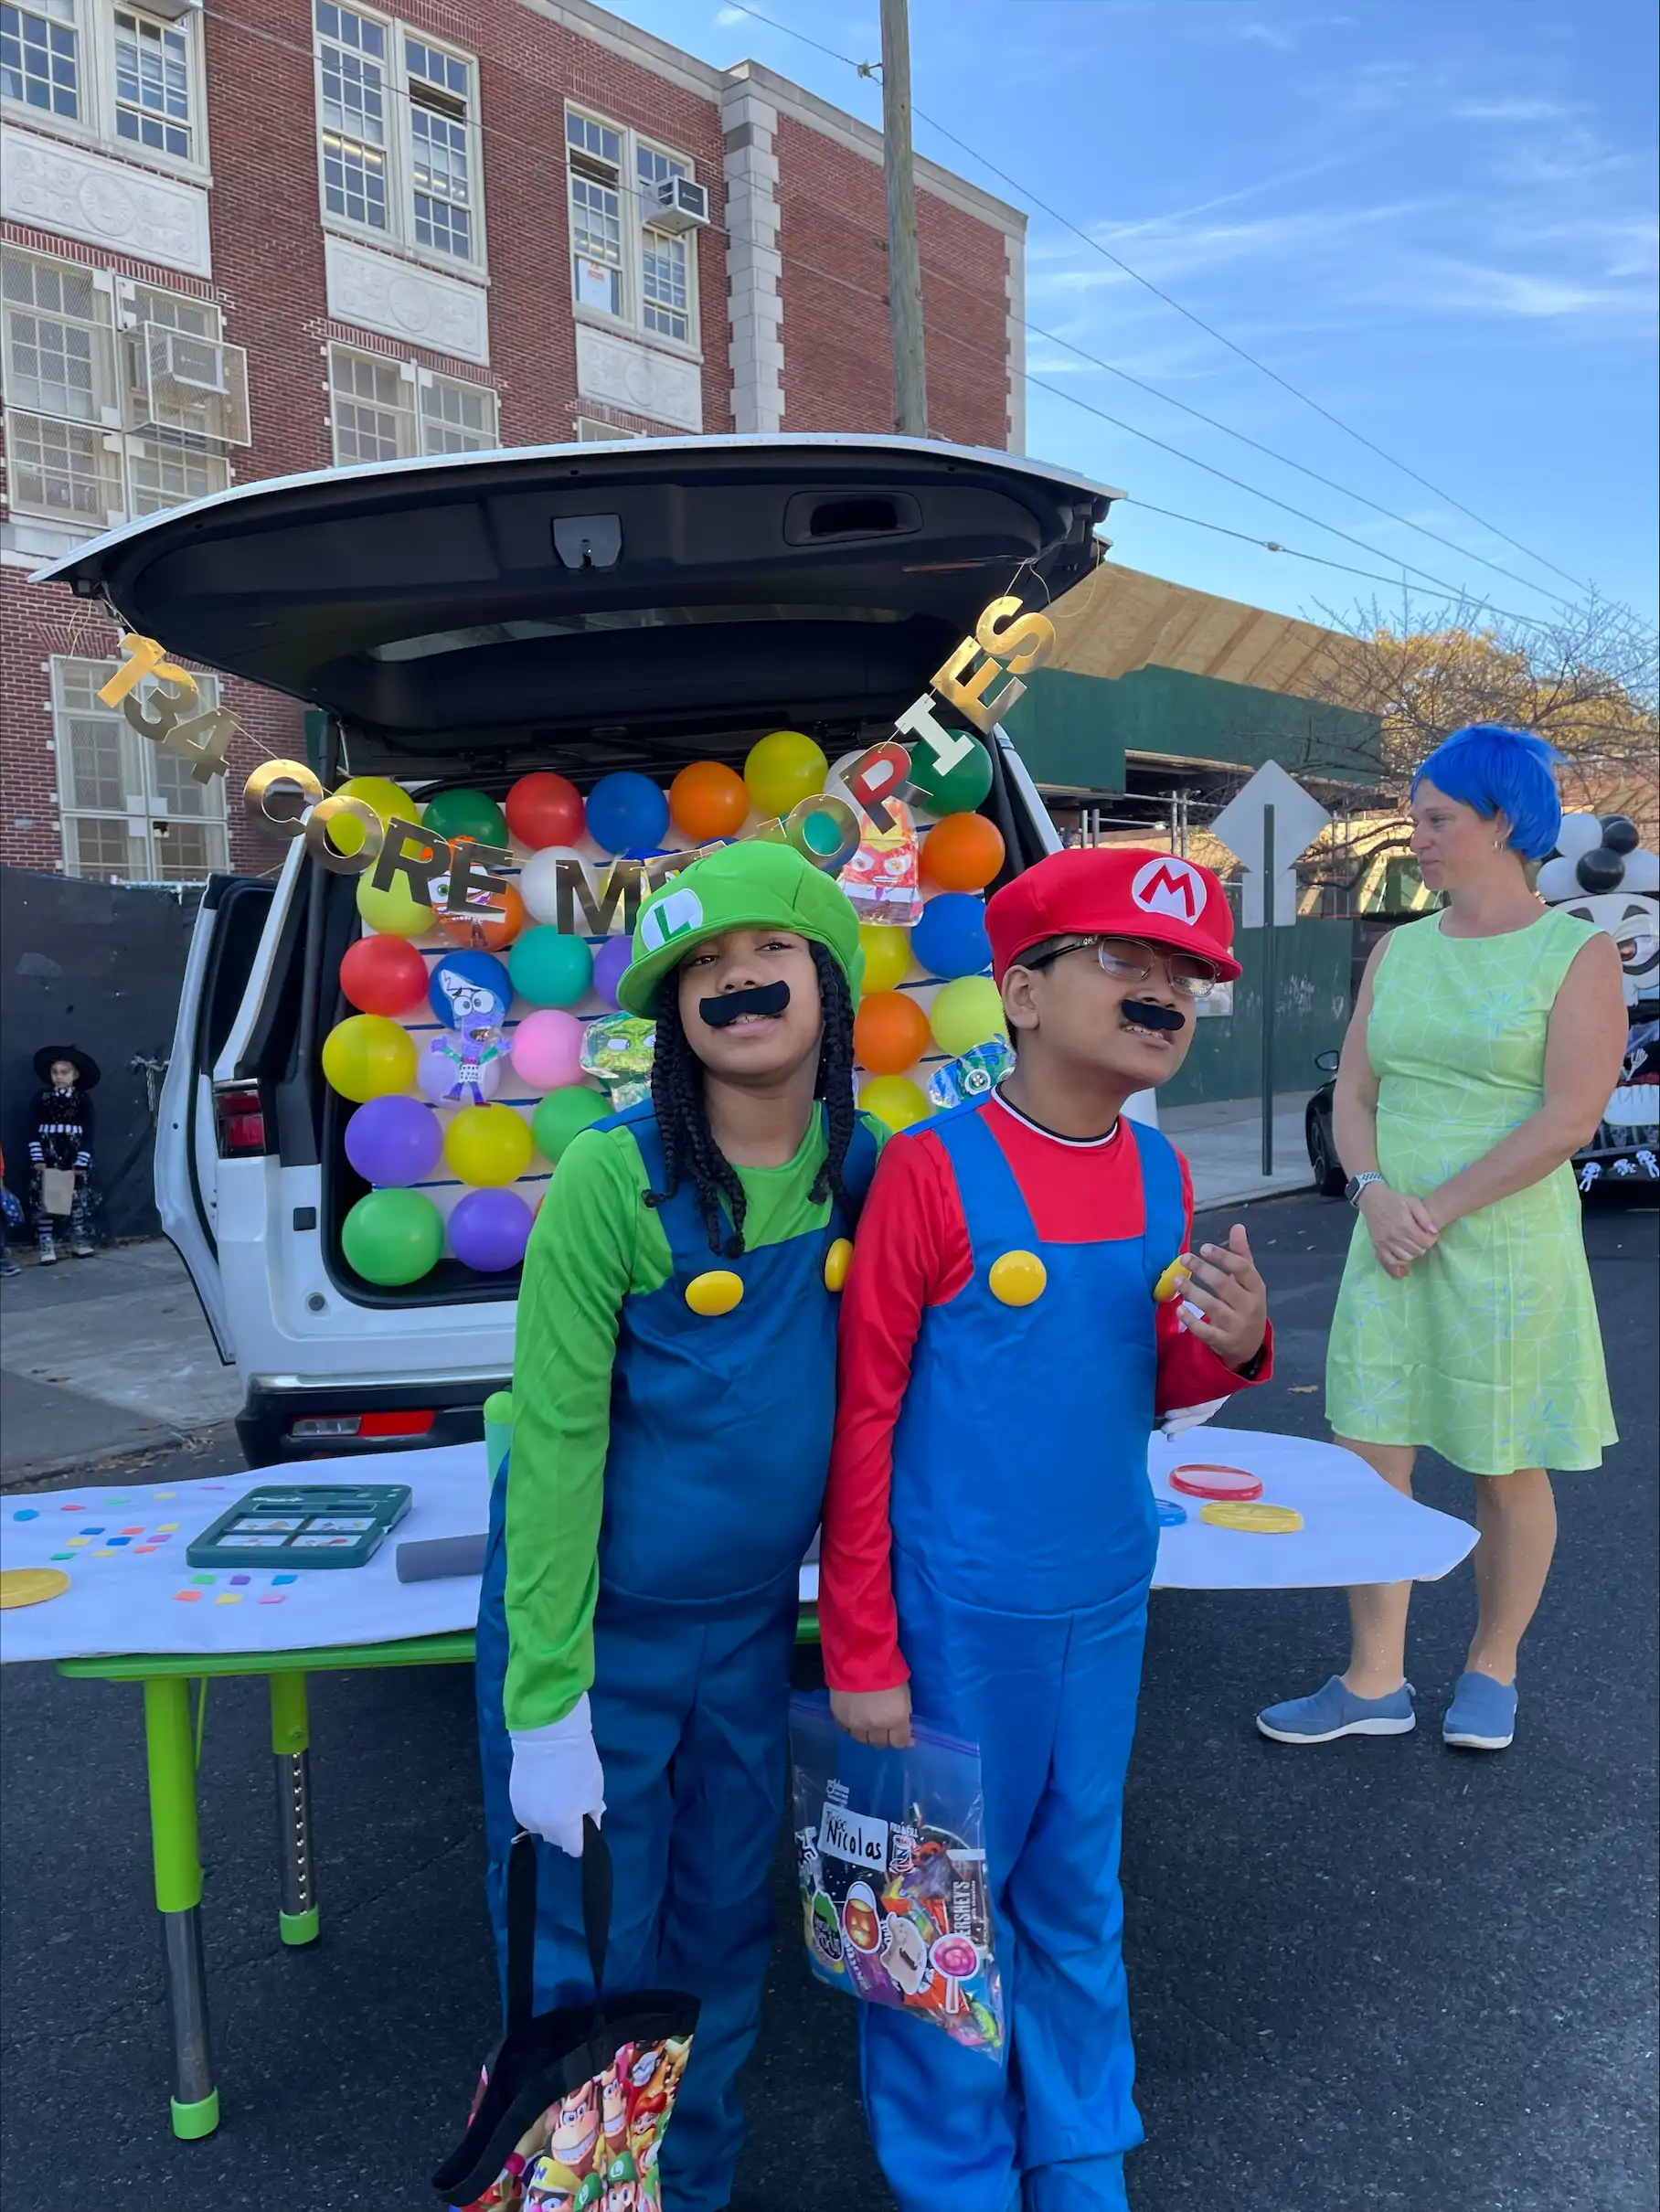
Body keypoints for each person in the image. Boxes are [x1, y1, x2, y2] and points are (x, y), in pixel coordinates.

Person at [819, 845, 1273, 2212]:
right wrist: (862, 1649)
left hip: (1104, 1601)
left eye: (1185, 975)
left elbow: (1157, 1378)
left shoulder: (1160, 1174)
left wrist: (1235, 1349)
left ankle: (1079, 2151)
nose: (1163, 995)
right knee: (933, 1908)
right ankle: (953, 2174)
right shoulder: (927, 1170)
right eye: (1124, 962)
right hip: (957, 1619)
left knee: (1077, 1893)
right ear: (1018, 991)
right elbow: (863, 1421)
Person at [474, 840, 883, 2212]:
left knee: (720, 1929)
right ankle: (587, 2202)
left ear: (825, 979)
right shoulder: (611, 1177)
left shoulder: (864, 1166)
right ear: (669, 1018)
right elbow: (555, 1446)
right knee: (591, 1956)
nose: (739, 981)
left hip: (751, 1630)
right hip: (602, 1639)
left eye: (767, 952)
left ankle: (691, 2187)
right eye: (702, 964)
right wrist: (546, 1703)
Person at [1257, 725, 1626, 1757]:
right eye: (1414, 817)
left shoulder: (1576, 951)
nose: (1413, 836)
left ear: (1503, 822)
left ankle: (1491, 1664)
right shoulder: (1399, 948)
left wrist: (1439, 1204)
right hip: (1388, 1237)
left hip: (1504, 1242)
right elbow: (1357, 1092)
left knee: (1503, 1459)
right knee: (1370, 1449)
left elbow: (1567, 1116)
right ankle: (1373, 1677)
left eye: (1435, 818)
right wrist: (1374, 1192)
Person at [27, 1047, 99, 1262]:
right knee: (49, 1197)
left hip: (73, 1153)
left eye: (64, 1072)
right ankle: (46, 1244)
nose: (59, 1076)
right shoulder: (42, 1098)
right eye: (55, 1072)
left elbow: (89, 1129)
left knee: (76, 1198)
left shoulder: (82, 1100)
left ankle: (78, 1240)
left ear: (75, 1075)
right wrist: (37, 1156)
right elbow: (31, 1127)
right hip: (50, 1153)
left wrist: (83, 1156)